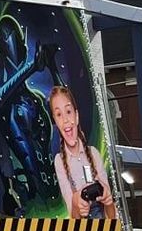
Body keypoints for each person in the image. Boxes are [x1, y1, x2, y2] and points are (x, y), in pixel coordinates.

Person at [50, 85, 116, 222]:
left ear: (77, 115)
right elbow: (72, 214)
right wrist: (76, 202)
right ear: (55, 122)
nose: (65, 120)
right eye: (59, 115)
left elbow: (111, 214)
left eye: (68, 112)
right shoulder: (59, 161)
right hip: (82, 230)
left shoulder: (93, 153)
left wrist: (108, 200)